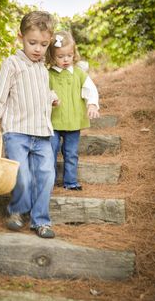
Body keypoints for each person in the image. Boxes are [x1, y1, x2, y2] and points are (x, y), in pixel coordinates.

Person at [0, 11, 59, 238]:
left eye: (43, 44)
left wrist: (52, 97)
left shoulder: (42, 69)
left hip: (42, 133)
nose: (37, 49)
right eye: (32, 42)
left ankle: (41, 221)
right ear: (20, 37)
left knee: (46, 176)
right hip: (17, 132)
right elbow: (1, 91)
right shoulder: (12, 63)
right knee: (22, 175)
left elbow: (40, 92)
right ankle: (17, 211)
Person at [46, 30, 100, 190]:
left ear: (73, 54)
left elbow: (90, 89)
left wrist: (92, 104)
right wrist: (50, 99)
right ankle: (49, 181)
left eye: (69, 55)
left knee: (71, 153)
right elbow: (43, 92)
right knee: (50, 152)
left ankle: (70, 182)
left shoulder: (79, 73)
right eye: (60, 56)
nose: (65, 60)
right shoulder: (48, 75)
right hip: (53, 122)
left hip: (73, 123)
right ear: (51, 56)